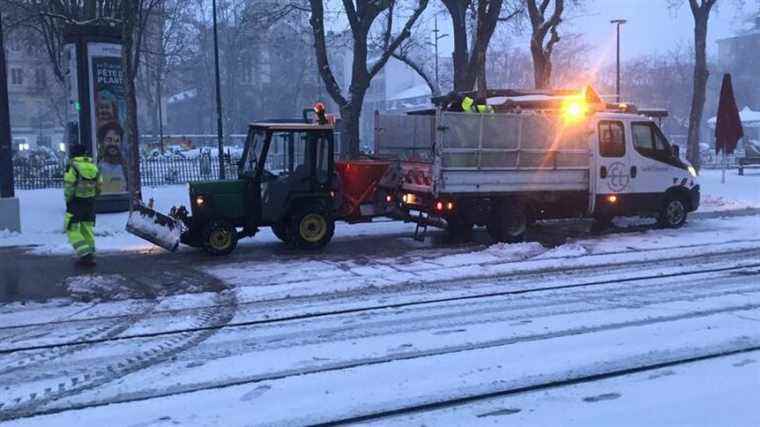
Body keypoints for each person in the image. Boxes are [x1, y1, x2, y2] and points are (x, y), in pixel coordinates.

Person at [64, 145, 102, 266]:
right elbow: (99, 185)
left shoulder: (73, 166)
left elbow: (69, 186)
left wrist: (68, 199)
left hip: (76, 202)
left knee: (71, 228)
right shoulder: (93, 167)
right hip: (90, 203)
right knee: (87, 228)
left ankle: (84, 254)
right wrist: (93, 196)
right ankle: (90, 253)